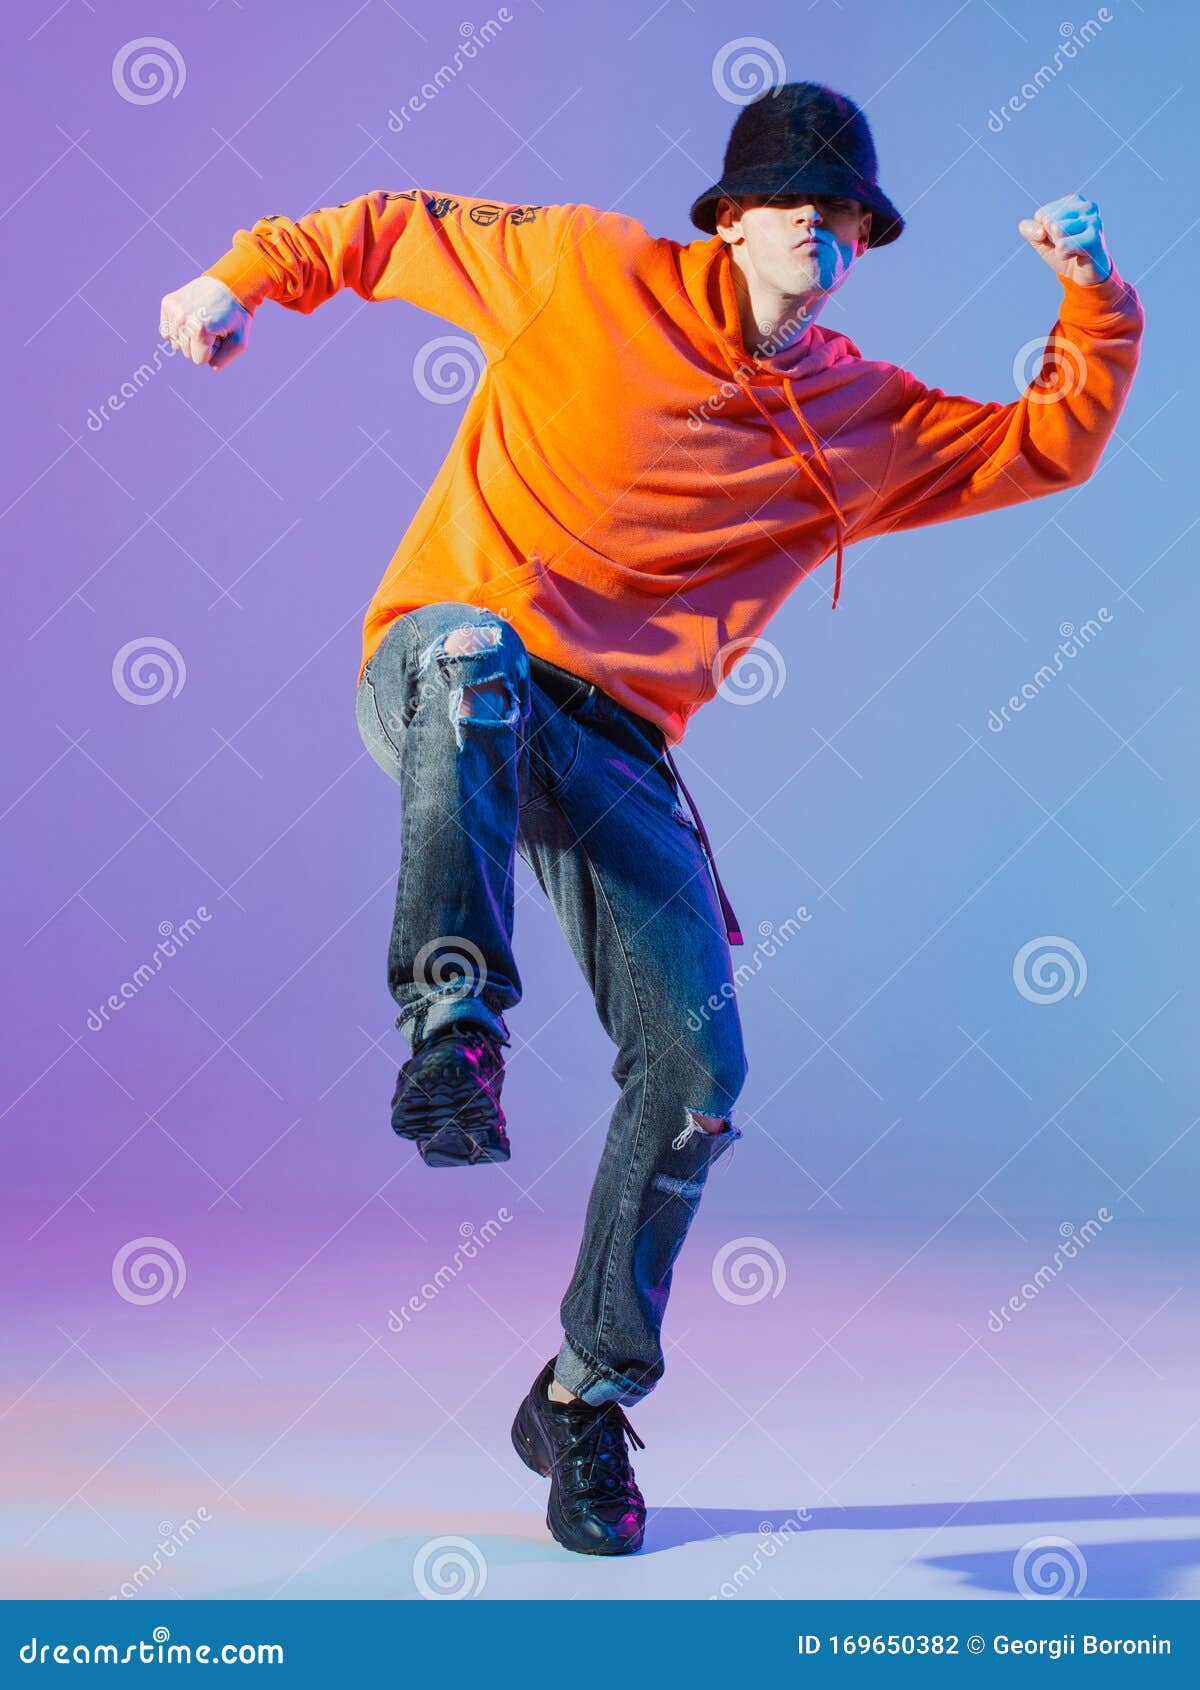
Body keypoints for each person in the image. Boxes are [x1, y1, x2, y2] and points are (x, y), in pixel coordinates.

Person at [159, 81, 1145, 1557]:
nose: (821, 223)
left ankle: (584, 1393)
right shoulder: (581, 266)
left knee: (699, 1072)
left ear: (864, 240)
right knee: (474, 653)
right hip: (442, 672)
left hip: (613, 746)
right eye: (793, 199)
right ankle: (454, 1031)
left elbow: (1047, 443)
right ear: (731, 218)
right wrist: (235, 279)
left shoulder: (856, 416)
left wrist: (1094, 293)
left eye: (847, 210)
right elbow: (381, 229)